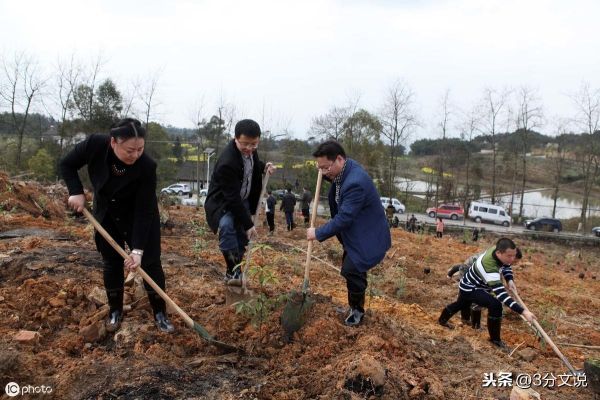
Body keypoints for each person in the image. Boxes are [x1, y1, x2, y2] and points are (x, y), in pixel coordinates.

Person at [59, 118, 174, 334]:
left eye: (140, 149)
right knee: (111, 262)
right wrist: (76, 191)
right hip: (107, 214)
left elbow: (144, 209)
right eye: (130, 150)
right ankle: (115, 310)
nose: (135, 155)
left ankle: (160, 312)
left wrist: (137, 250)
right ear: (114, 142)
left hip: (138, 216)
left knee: (150, 263)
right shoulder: (95, 145)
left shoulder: (147, 167)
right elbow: (67, 164)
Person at [307, 140, 391, 326]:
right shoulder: (344, 169)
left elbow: (344, 218)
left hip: (367, 235)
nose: (323, 172)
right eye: (320, 168)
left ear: (339, 159)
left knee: (351, 270)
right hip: (355, 232)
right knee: (354, 269)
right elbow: (332, 177)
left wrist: (317, 233)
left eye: (326, 168)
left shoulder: (355, 183)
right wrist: (324, 170)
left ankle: (357, 312)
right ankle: (354, 306)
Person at [204, 119, 275, 285]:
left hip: (241, 200)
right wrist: (248, 223)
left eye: (254, 144)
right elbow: (232, 199)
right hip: (223, 203)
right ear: (235, 138)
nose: (250, 149)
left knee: (242, 238)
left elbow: (252, 164)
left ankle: (232, 272)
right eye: (245, 144)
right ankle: (235, 271)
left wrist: (265, 166)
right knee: (228, 228)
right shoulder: (227, 162)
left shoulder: (250, 151)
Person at [439, 238, 534, 349]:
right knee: (495, 305)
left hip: (471, 283)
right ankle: (495, 339)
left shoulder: (499, 251)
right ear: (499, 253)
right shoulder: (489, 267)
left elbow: (506, 264)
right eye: (510, 256)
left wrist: (509, 279)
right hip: (471, 287)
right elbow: (501, 295)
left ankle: (442, 320)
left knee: (461, 304)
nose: (512, 259)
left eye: (514, 255)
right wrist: (523, 312)